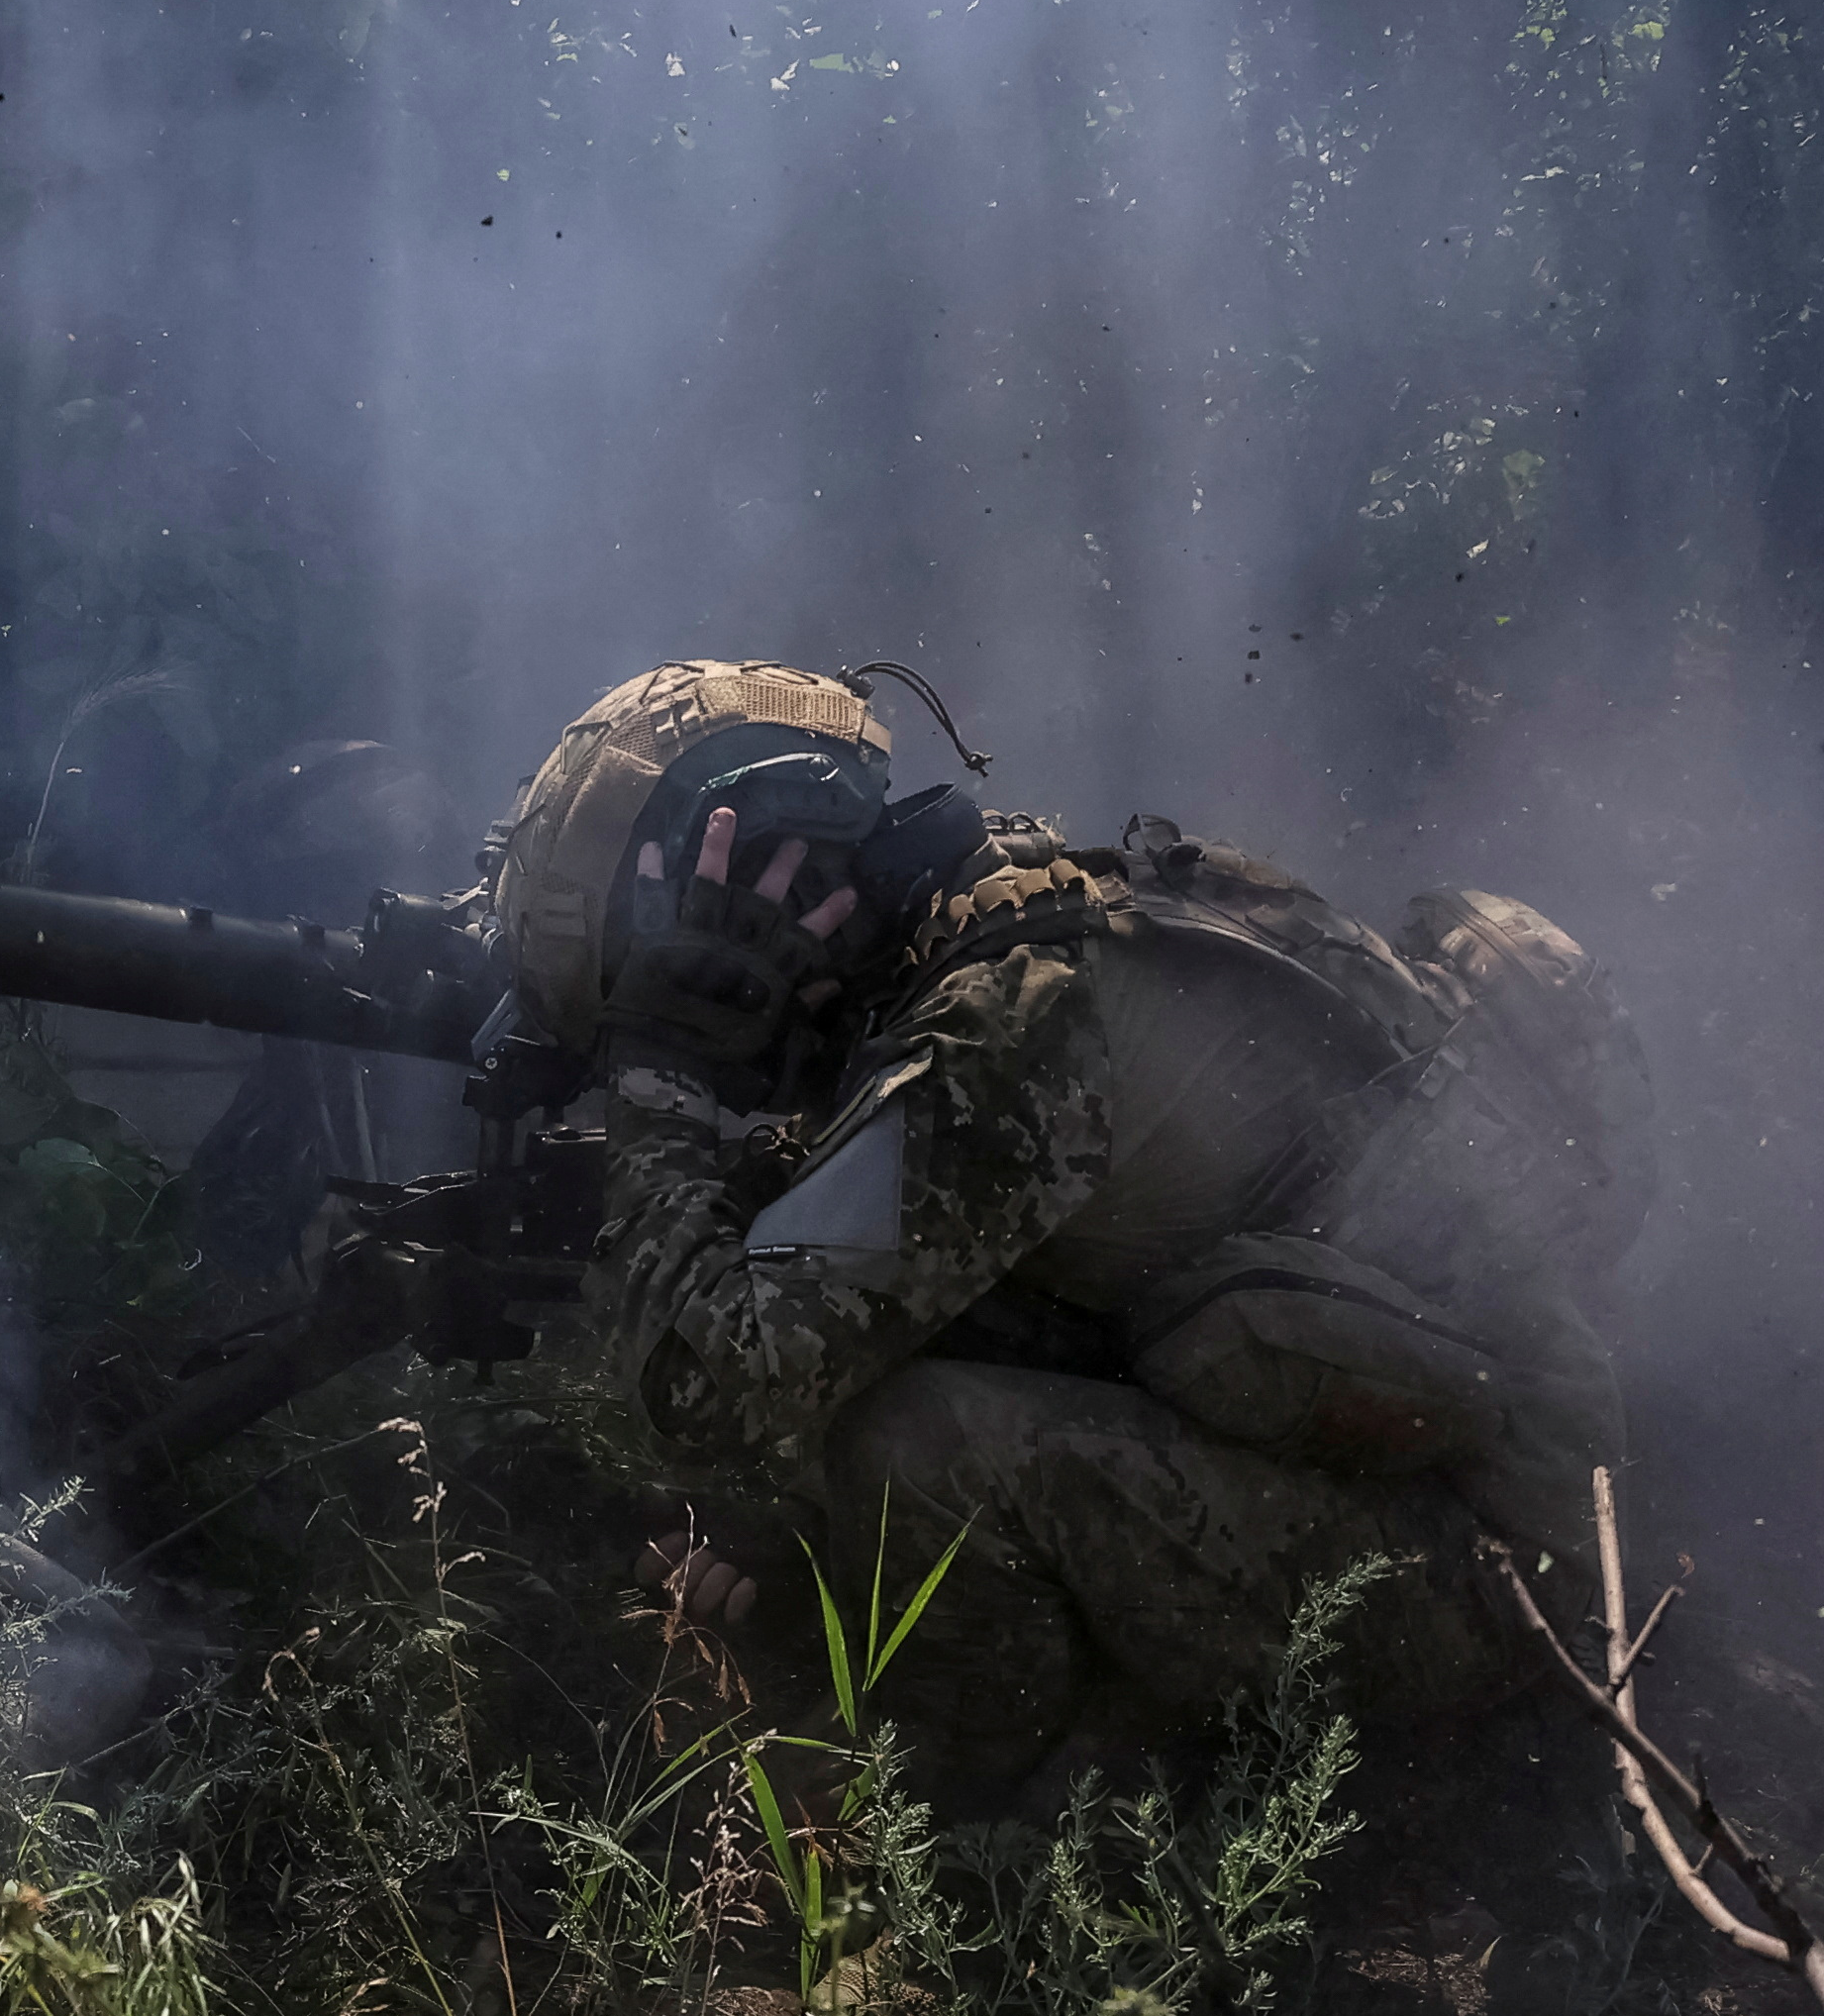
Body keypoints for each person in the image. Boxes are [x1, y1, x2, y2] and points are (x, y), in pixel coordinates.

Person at [486, 662, 1654, 1789]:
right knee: (878, 1380)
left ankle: (962, 1820)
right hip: (1419, 1474)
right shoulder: (1009, 920)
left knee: (914, 1444)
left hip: (1500, 1576)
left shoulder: (1007, 1023)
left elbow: (716, 1383)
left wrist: (657, 1071)